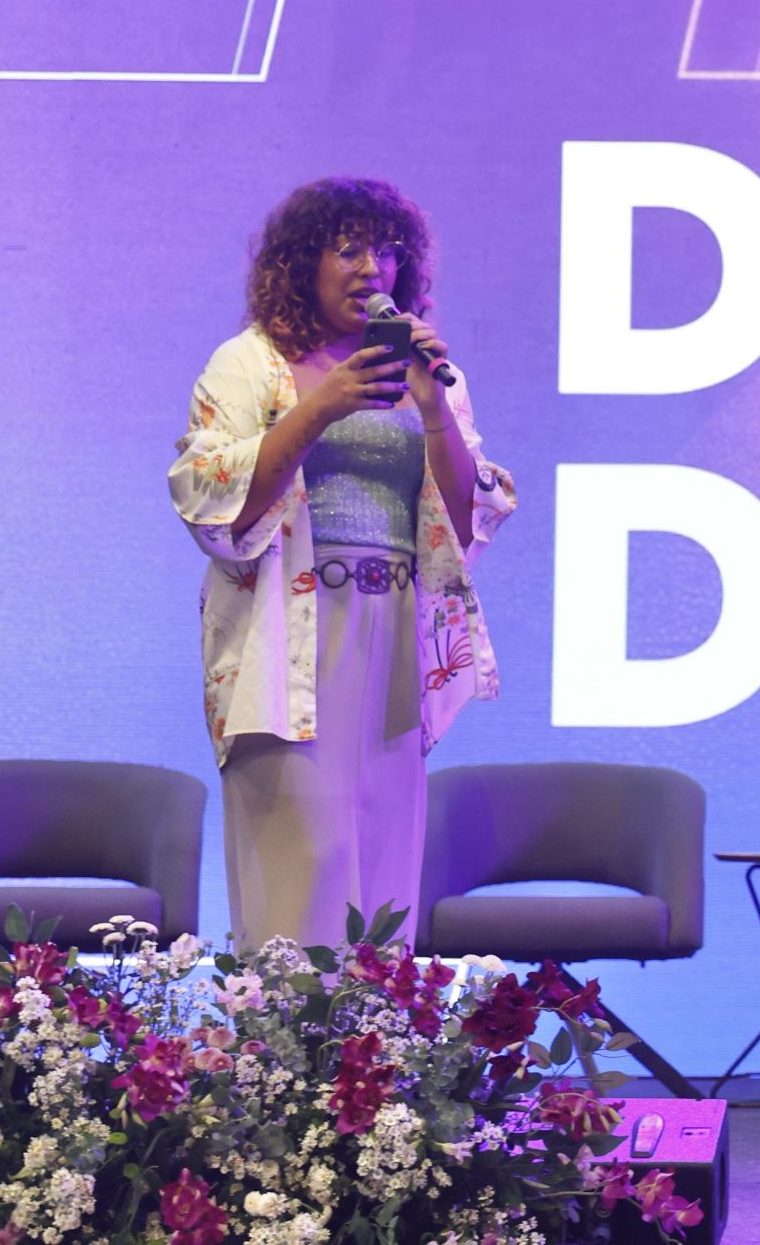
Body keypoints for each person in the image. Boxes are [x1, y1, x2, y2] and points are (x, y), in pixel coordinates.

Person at [168, 177, 515, 947]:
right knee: (310, 862)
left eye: (387, 252)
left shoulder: (423, 374)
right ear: (302, 262)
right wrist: (323, 404)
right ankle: (287, 1025)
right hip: (290, 637)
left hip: (393, 632)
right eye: (348, 249)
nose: (372, 268)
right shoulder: (251, 361)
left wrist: (433, 407)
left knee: (384, 860)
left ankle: (376, 1025)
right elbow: (207, 496)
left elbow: (465, 522)